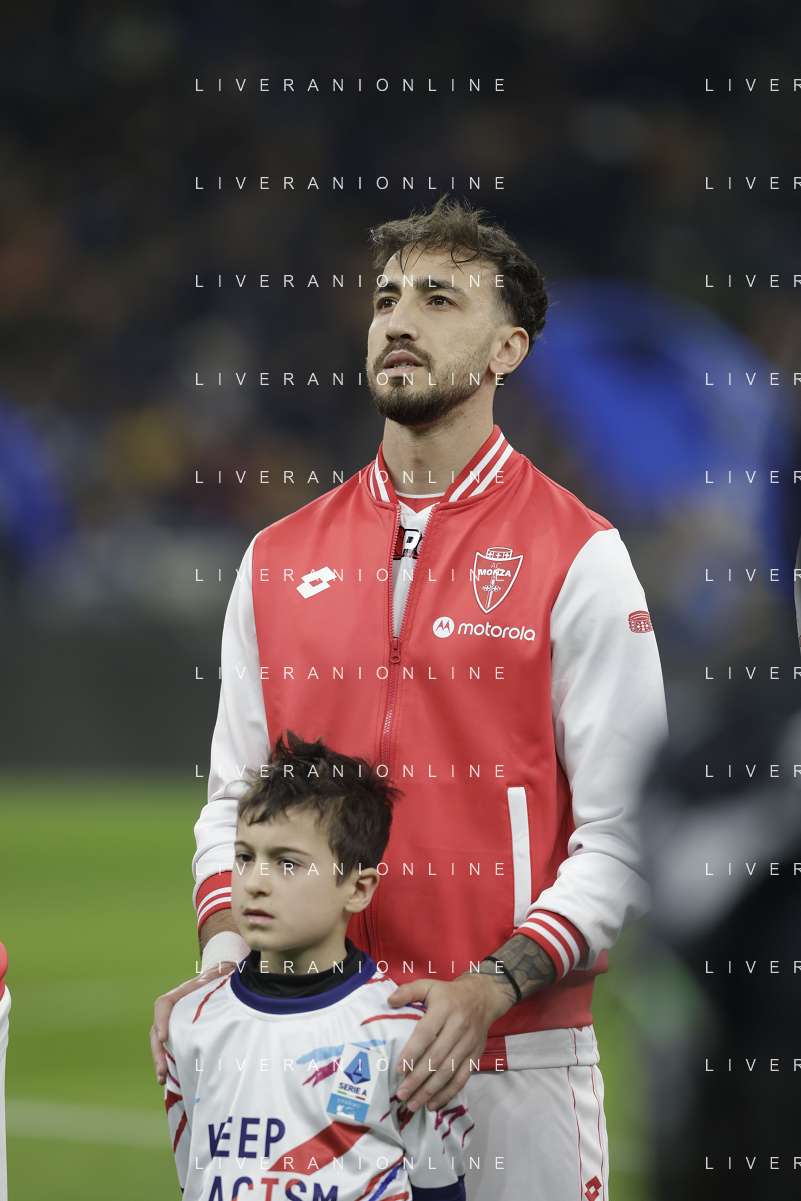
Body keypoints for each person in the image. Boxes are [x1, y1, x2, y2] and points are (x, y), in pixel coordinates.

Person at [152, 197, 668, 1199]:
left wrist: (493, 984)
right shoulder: (275, 558)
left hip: (514, 1055)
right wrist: (225, 962)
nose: (399, 318)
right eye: (386, 298)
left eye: (439, 299)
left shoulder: (581, 556)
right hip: (306, 1054)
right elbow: (231, 801)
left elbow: (627, 832)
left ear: (508, 349)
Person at [165, 731, 472, 1201]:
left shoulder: (406, 1037)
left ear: (358, 889)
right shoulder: (190, 1021)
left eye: (287, 864)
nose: (255, 882)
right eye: (244, 857)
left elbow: (440, 1189)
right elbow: (194, 1179)